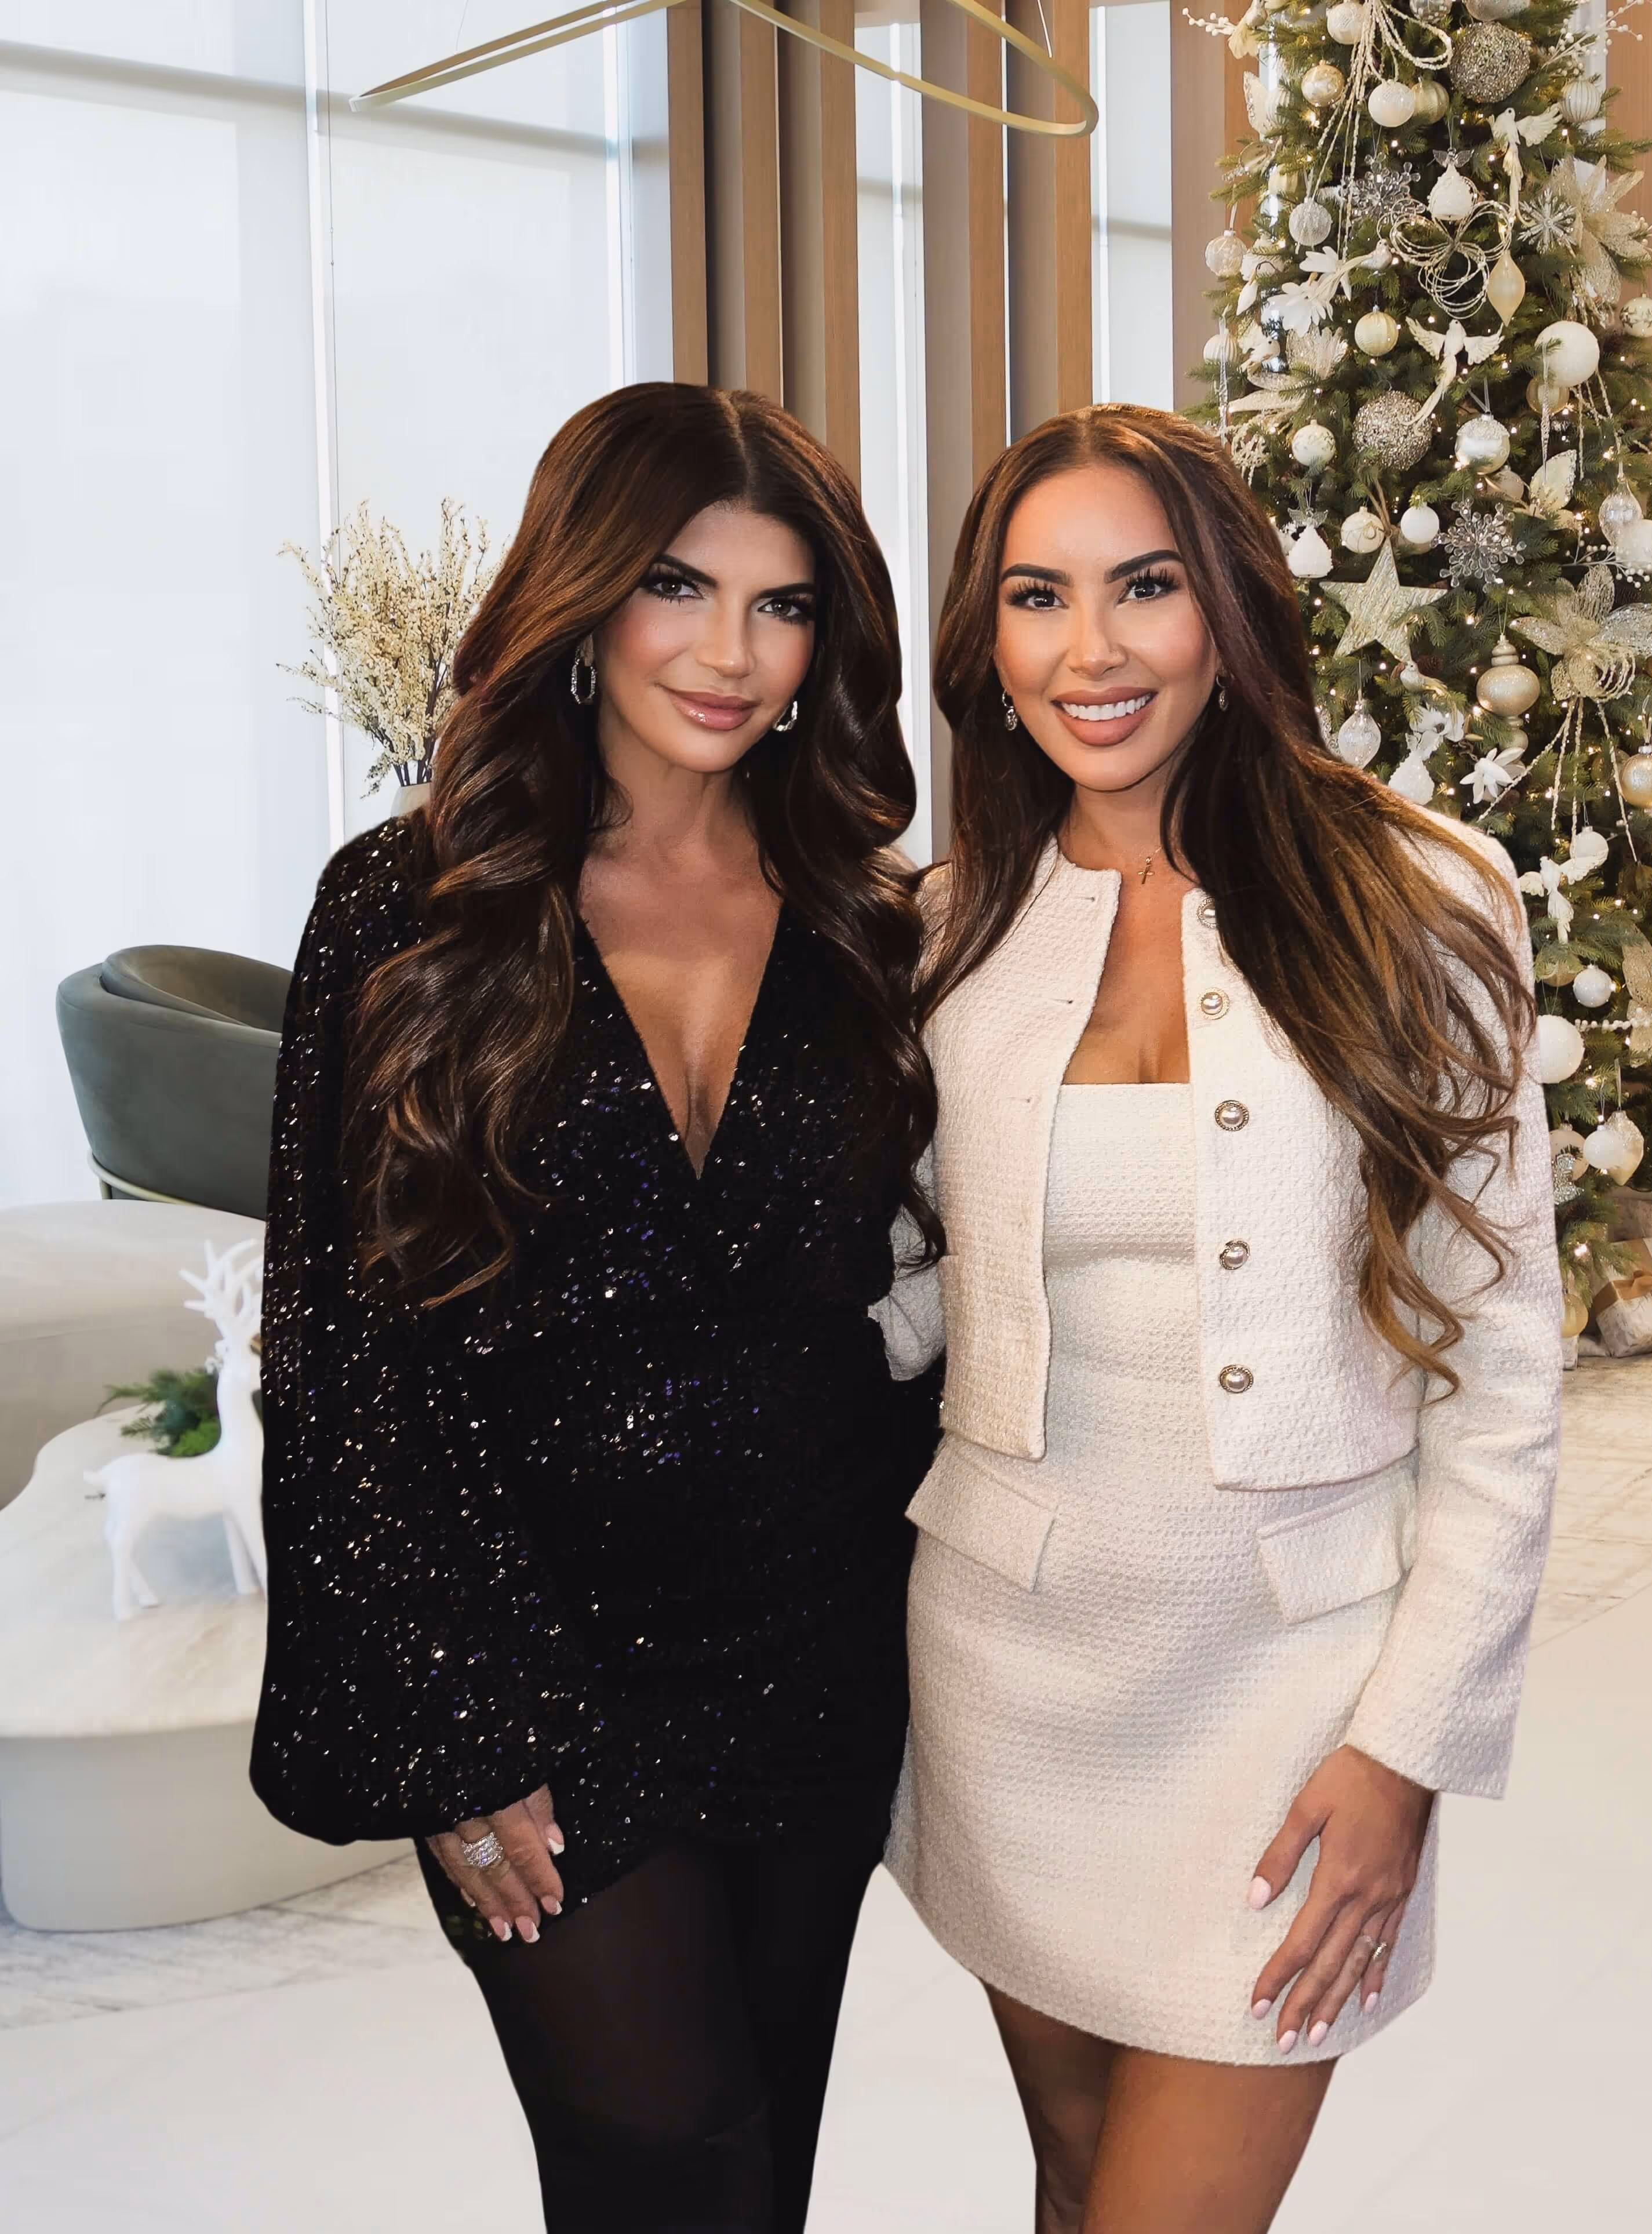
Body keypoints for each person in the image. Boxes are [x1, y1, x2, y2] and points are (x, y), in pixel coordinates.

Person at [250, 383, 942, 2234]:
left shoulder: (864, 922)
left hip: (813, 1646)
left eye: (781, 604)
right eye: (675, 586)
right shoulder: (410, 906)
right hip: (530, 1654)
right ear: (580, 598)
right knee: (673, 2160)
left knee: (761, 2165)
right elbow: (333, 1357)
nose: (729, 651)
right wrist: (456, 1726)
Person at [877, 403, 1562, 2232]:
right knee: (1080, 2182)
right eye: (1038, 597)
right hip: (1015, 1682)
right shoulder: (944, 927)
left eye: (1145, 587)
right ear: (987, 640)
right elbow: (898, 1296)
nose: (1090, 651)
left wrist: (1406, 1746)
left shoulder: (1422, 898)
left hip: (1289, 1699)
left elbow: (1503, 1368)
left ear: (1231, 608)